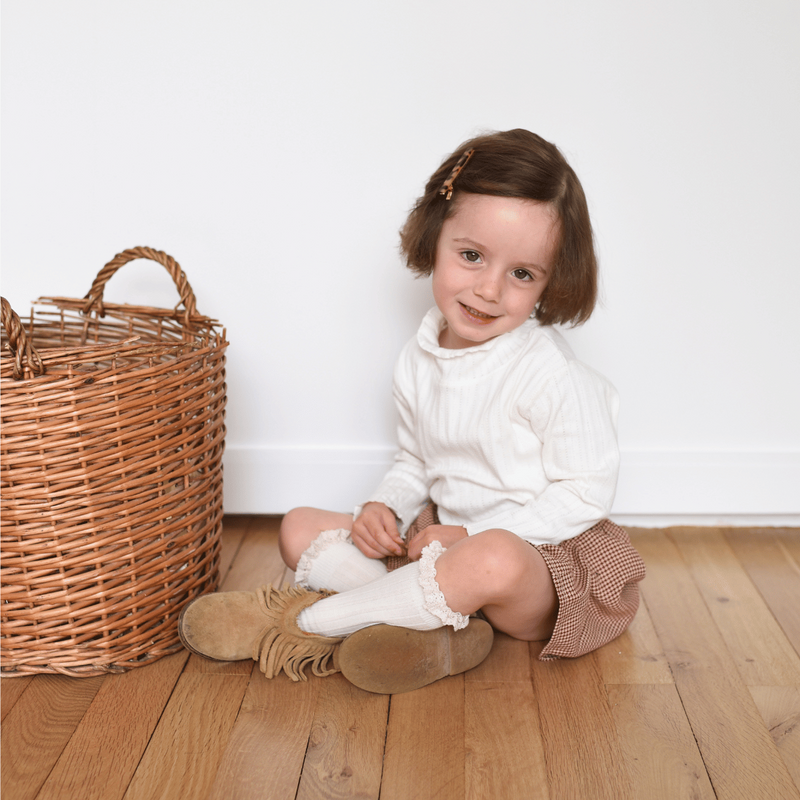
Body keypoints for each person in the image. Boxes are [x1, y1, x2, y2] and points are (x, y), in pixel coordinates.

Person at [179, 129, 646, 694]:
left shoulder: (551, 373)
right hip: (441, 540)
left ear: (551, 281)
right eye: (471, 256)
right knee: (299, 526)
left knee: (492, 559)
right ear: (435, 237)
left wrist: (471, 534)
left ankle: (308, 626)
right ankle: (435, 630)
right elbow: (417, 460)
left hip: (541, 559)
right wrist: (385, 505)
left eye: (522, 274)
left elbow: (584, 493)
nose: (490, 289)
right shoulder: (419, 358)